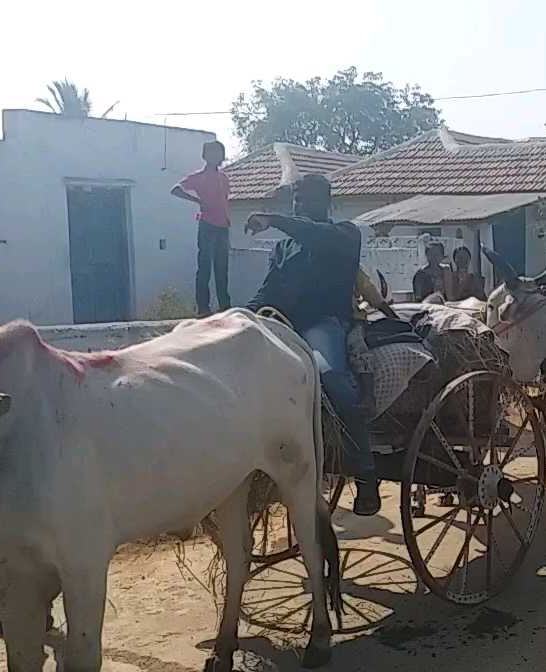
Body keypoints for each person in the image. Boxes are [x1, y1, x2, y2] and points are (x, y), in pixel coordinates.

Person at [244, 174, 383, 516]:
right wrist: (237, 317)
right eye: (295, 201)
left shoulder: (345, 236)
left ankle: (366, 473)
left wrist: (274, 220)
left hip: (323, 326)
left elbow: (314, 234)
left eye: (305, 200)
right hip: (283, 327)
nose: (299, 206)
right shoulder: (283, 248)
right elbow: (267, 292)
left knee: (331, 377)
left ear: (325, 202)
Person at [172, 140, 231, 316]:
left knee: (222, 268)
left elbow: (224, 201)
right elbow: (176, 189)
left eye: (219, 153)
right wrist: (198, 201)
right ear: (205, 156)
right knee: (205, 267)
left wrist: (227, 220)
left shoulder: (224, 178)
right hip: (207, 225)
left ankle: (225, 306)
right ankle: (203, 308)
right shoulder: (198, 177)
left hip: (223, 227)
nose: (217, 156)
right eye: (213, 153)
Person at [412, 237, 450, 302]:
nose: (434, 257)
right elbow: (418, 297)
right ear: (427, 255)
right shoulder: (420, 274)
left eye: (437, 254)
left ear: (442, 256)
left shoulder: (446, 271)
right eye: (431, 254)